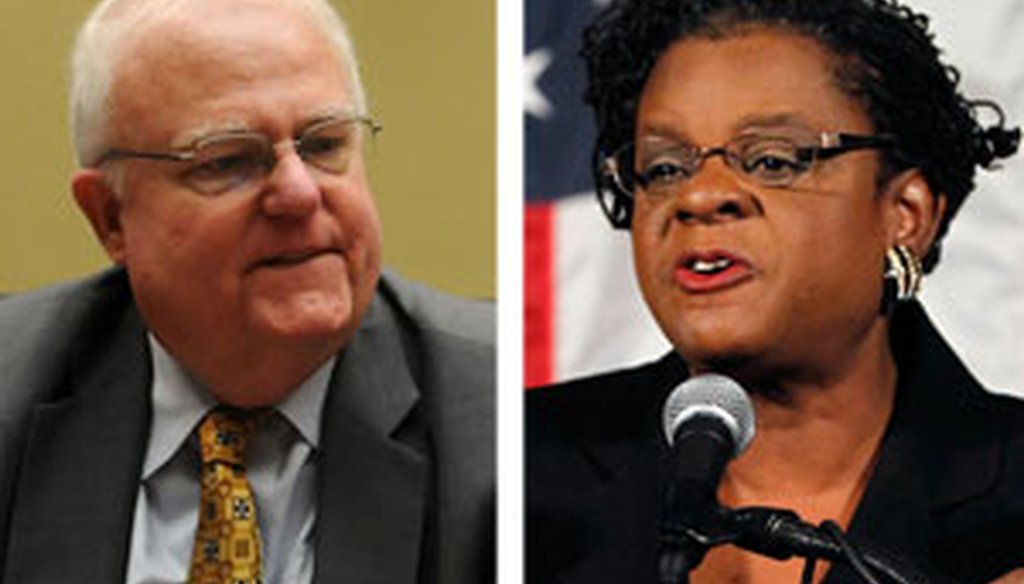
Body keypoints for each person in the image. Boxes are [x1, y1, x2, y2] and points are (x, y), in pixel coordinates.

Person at [526, 0, 1024, 583]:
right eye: (663, 168)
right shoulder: (524, 471)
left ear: (905, 213)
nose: (700, 196)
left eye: (771, 159)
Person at [0, 0, 494, 582]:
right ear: (111, 217)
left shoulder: (495, 426)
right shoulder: (17, 388)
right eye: (228, 160)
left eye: (324, 144)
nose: (300, 193)